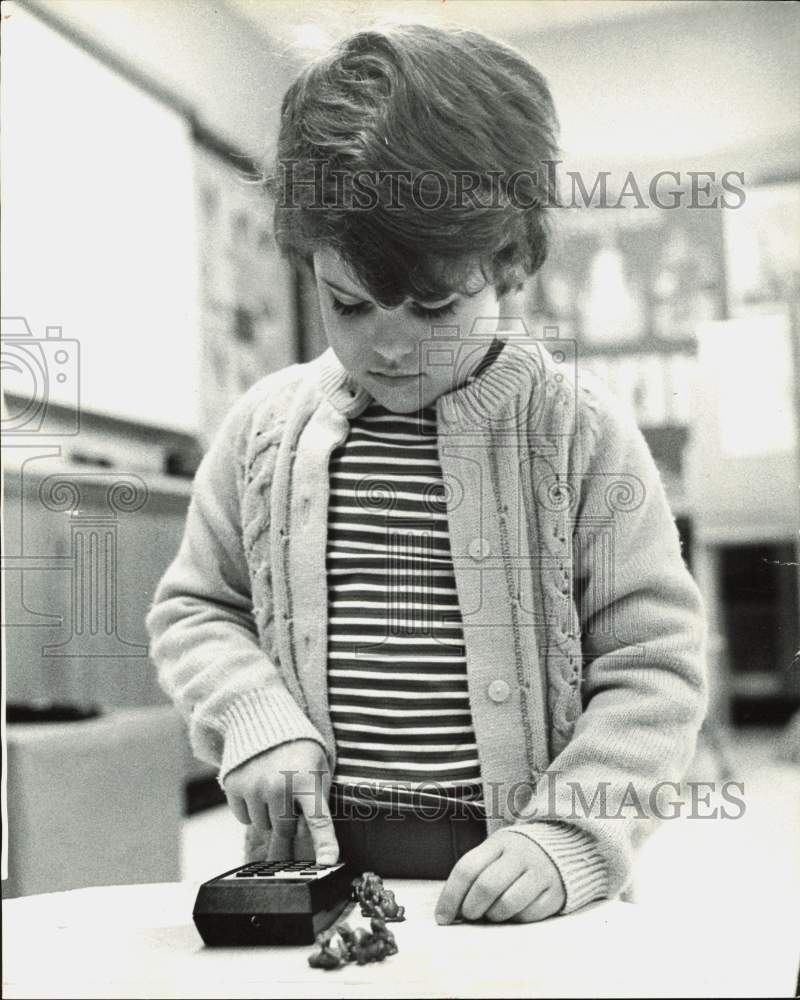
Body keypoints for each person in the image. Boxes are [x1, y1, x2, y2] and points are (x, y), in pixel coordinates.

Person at [145, 21, 707, 925]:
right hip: (321, 890)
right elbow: (196, 608)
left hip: (532, 896)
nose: (392, 344)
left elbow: (655, 668)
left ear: (512, 261)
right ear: (308, 270)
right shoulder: (262, 433)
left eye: (437, 304)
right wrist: (251, 716)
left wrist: (569, 834)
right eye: (349, 304)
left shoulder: (580, 432)